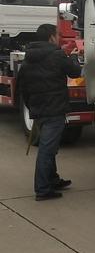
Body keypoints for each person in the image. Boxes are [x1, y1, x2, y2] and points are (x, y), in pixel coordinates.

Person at [18, 23, 82, 201]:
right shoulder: (57, 55)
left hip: (39, 109)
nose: (59, 38)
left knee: (49, 147)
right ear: (51, 37)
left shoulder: (28, 58)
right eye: (57, 35)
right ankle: (43, 189)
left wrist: (32, 106)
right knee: (47, 149)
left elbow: (22, 87)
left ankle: (53, 180)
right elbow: (75, 73)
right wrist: (74, 57)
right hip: (54, 109)